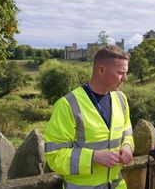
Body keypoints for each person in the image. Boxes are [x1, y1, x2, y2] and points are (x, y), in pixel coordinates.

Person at [44, 45, 134, 189]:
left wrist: (128, 147)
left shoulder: (121, 99)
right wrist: (93, 157)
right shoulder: (67, 105)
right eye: (120, 73)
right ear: (101, 70)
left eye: (125, 73)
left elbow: (127, 133)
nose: (125, 78)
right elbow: (54, 156)